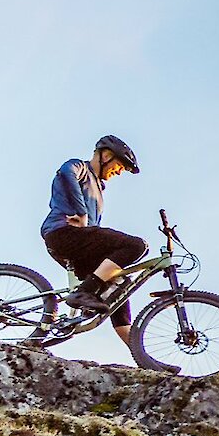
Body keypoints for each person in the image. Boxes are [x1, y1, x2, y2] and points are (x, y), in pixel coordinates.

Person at [39, 135, 147, 345]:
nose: (118, 172)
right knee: (136, 245)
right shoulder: (79, 167)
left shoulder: (99, 190)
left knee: (118, 287)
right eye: (119, 166)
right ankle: (83, 293)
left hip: (81, 244)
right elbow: (66, 173)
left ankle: (140, 353)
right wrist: (81, 213)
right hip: (62, 234)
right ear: (106, 155)